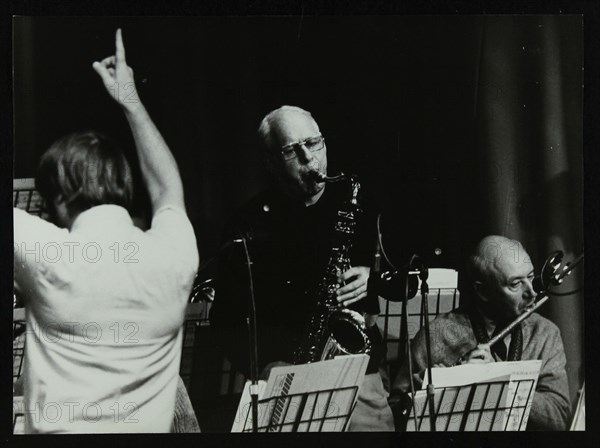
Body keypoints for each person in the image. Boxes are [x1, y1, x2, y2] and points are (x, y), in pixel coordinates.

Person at [13, 29, 199, 433]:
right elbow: (169, 189)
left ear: (58, 199)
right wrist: (130, 101)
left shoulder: (47, 255)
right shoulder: (174, 255)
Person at [209, 105, 394, 431]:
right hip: (289, 381)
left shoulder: (356, 200)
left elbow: (407, 279)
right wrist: (265, 365)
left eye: (314, 143)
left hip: (360, 379)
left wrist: (373, 280)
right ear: (270, 162)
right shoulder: (247, 225)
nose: (310, 159)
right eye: (293, 150)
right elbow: (224, 322)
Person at [391, 235, 571, 430]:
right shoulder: (436, 334)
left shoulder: (545, 333)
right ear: (483, 291)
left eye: (530, 277)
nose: (532, 292)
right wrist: (446, 381)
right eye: (515, 284)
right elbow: (395, 413)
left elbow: (559, 418)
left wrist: (499, 379)